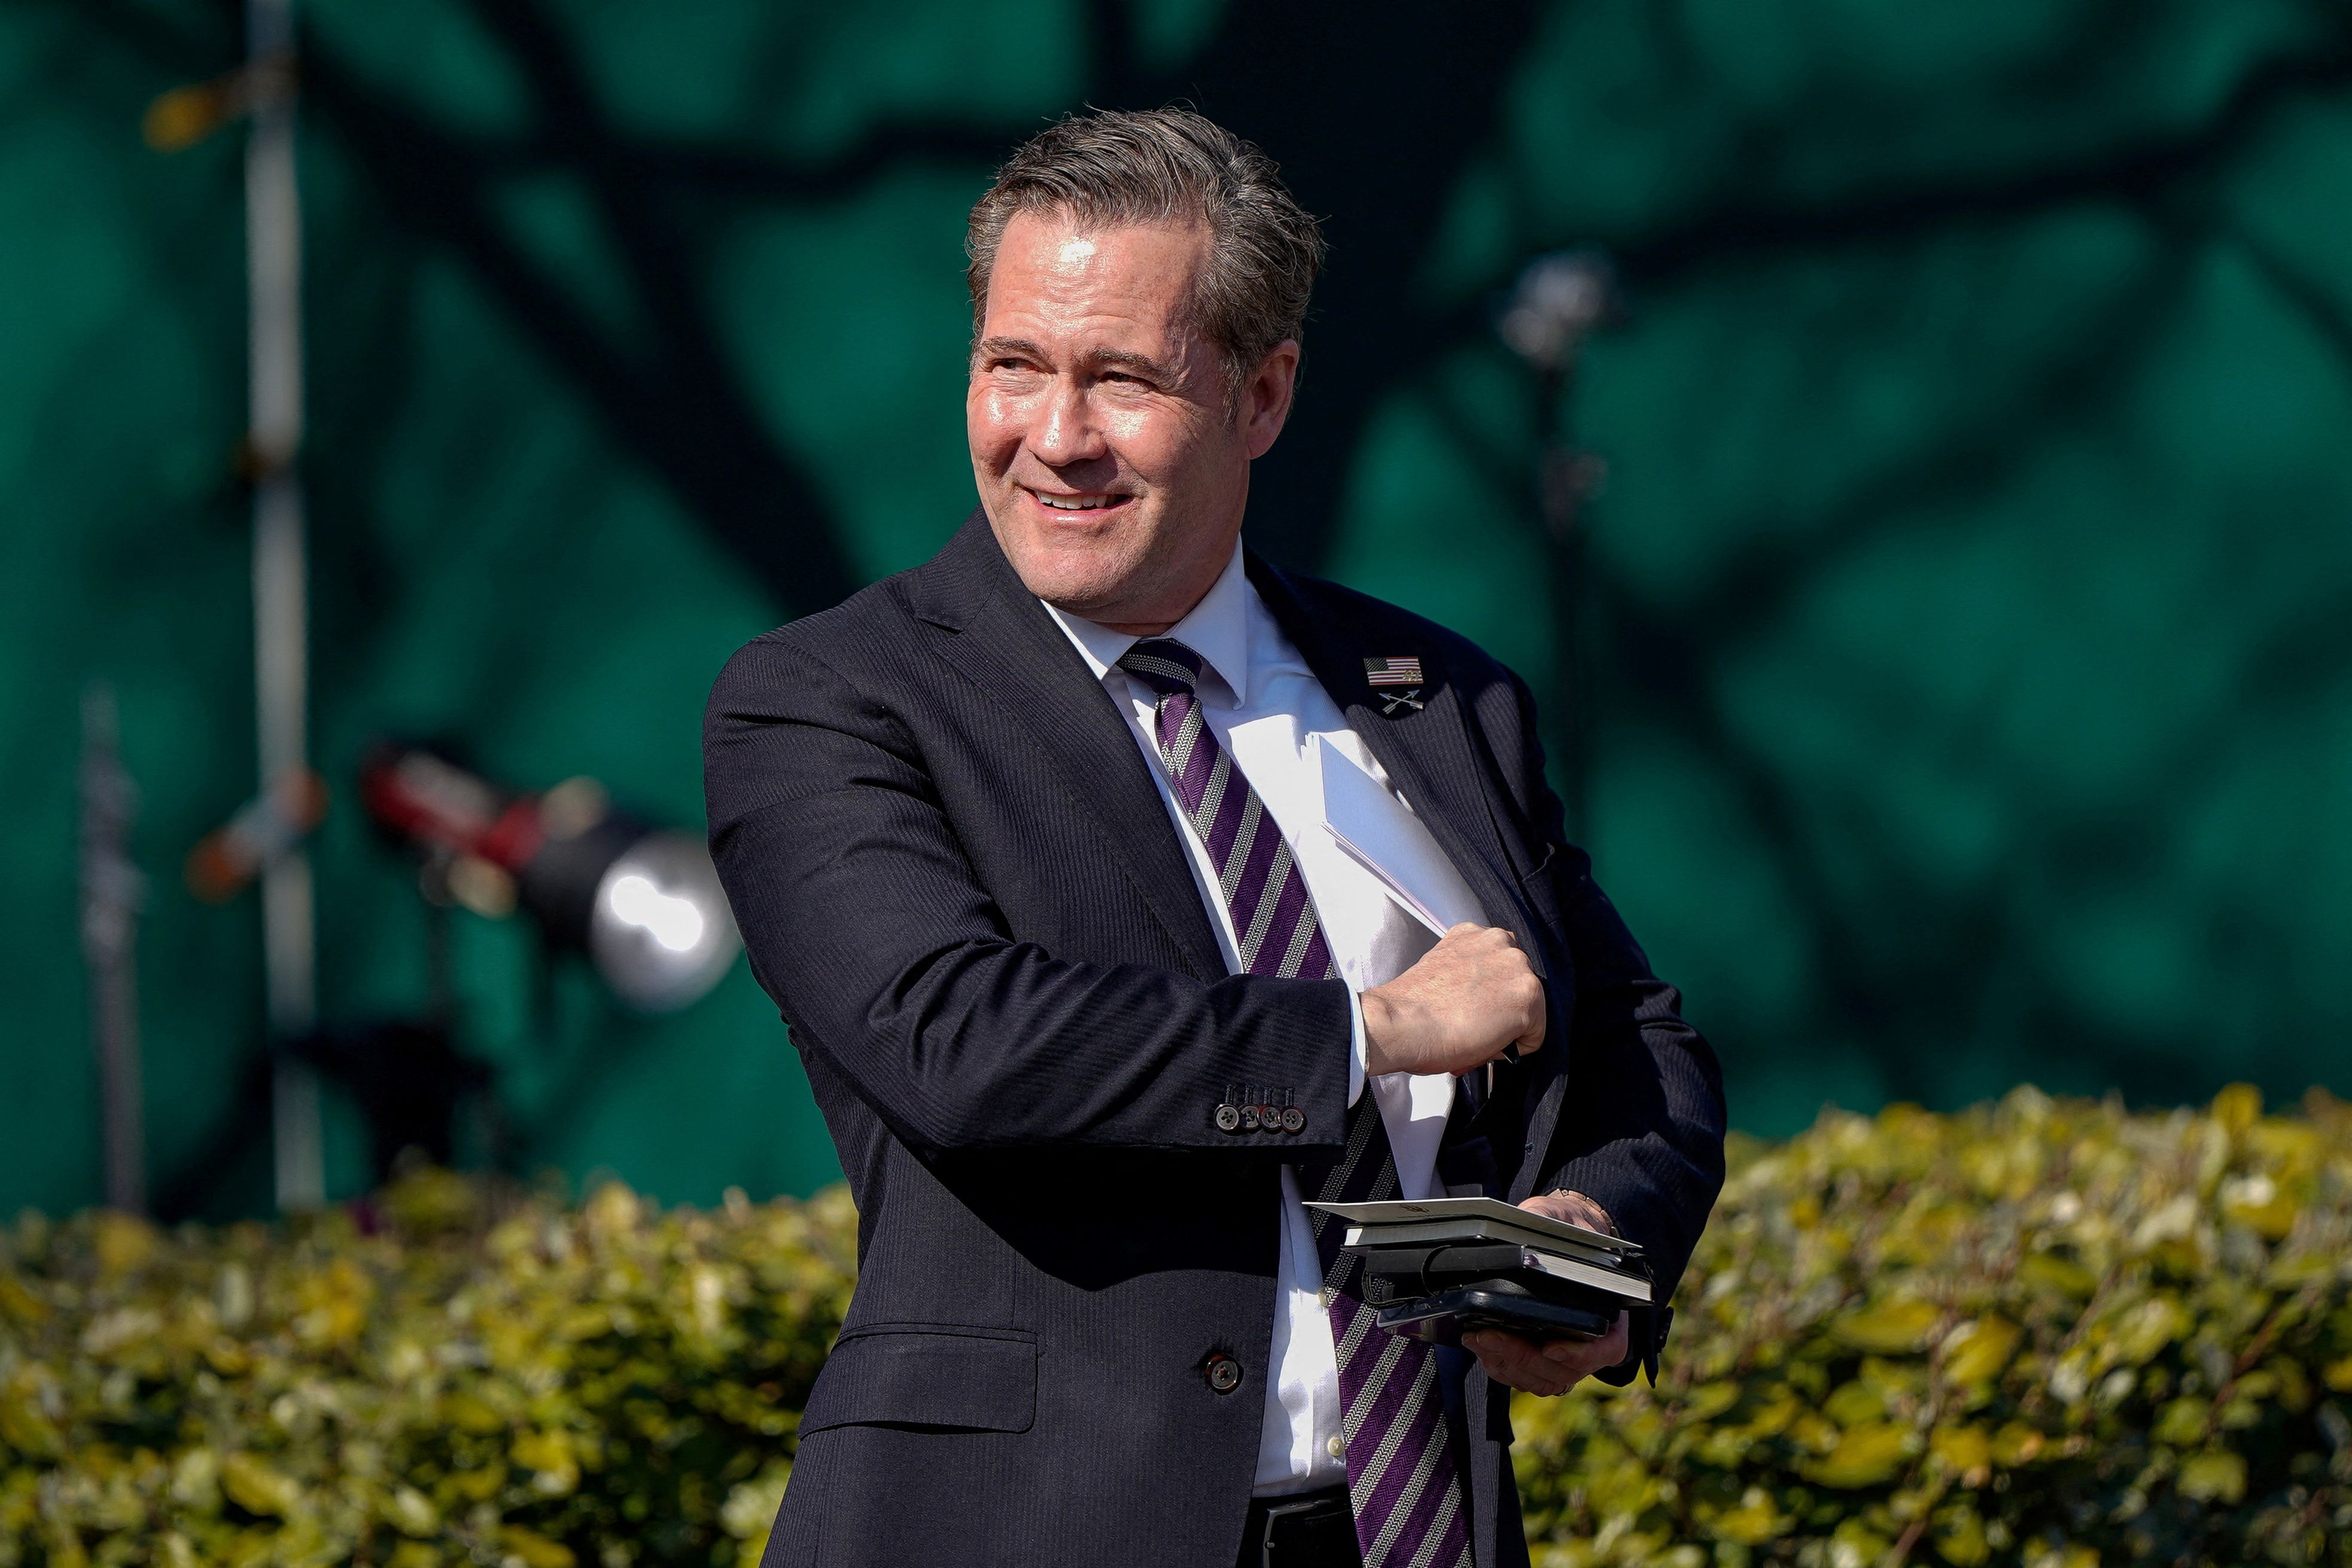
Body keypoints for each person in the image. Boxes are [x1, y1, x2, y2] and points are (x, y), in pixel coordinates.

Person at [704, 106, 1725, 1568]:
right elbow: (960, 1042)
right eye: (1013, 366)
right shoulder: (830, 699)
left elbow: (1638, 1043)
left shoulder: (1434, 698)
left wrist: (1588, 1242)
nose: (1055, 438)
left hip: (1407, 1530)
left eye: (1121, 378)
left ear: (1262, 395)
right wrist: (1373, 1033)